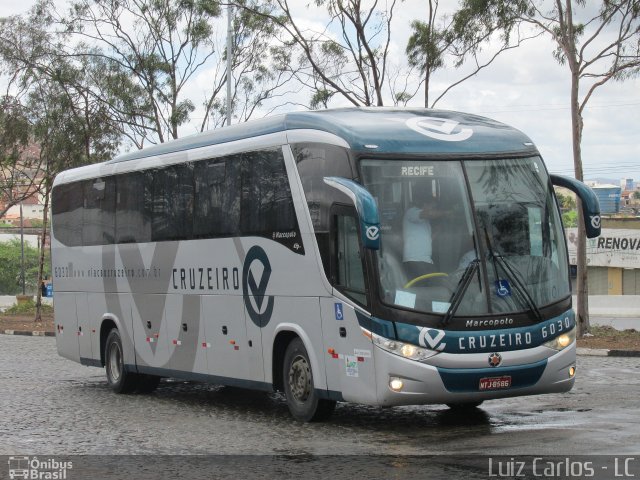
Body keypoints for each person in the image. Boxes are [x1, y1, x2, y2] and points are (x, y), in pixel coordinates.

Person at [403, 188, 439, 279]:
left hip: (425, 261)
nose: (434, 210)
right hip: (415, 261)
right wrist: (448, 213)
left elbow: (426, 239)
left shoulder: (425, 221)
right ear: (425, 204)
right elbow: (430, 214)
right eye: (433, 207)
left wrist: (438, 231)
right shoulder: (412, 212)